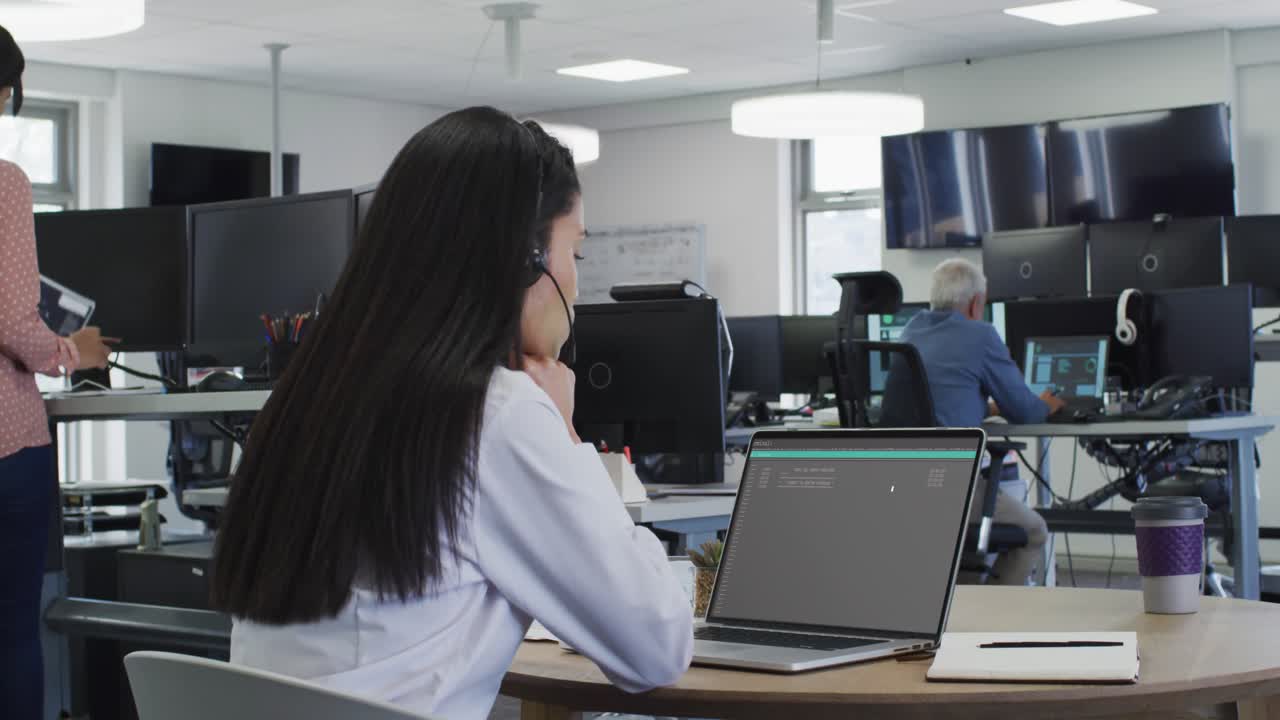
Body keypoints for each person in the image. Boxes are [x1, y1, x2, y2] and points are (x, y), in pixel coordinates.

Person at [211, 107, 693, 720]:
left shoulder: (309, 399)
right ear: (525, 260)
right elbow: (656, 648)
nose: (574, 282)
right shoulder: (497, 415)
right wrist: (568, 436)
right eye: (576, 253)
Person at [0, 24, 115, 719]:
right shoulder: (4, 183)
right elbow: (15, 322)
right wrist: (73, 350)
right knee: (12, 629)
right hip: (6, 444)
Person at [898, 258, 1065, 586]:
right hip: (954, 484)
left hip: (904, 485)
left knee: (963, 546)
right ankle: (995, 623)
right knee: (1034, 531)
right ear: (977, 303)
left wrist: (981, 407)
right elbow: (1025, 412)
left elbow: (933, 399)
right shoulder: (980, 334)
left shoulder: (910, 330)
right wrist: (1047, 404)